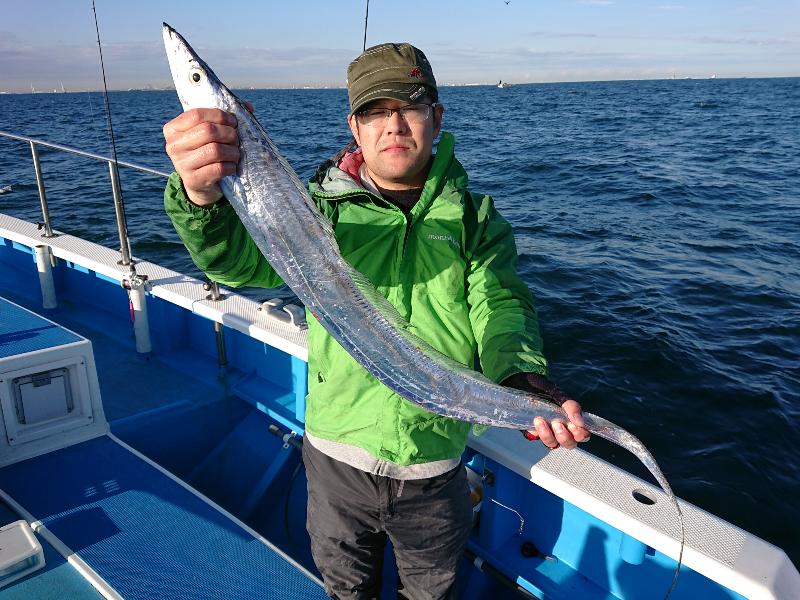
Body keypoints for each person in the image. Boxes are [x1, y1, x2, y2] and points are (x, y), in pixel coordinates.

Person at [163, 42, 589, 600]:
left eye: (409, 107)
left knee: (431, 592)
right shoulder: (318, 209)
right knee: (346, 588)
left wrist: (520, 377)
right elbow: (236, 262)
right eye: (373, 112)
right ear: (355, 128)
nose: (393, 125)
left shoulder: (474, 221)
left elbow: (501, 305)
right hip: (335, 457)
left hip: (433, 465)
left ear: (436, 118)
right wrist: (202, 196)